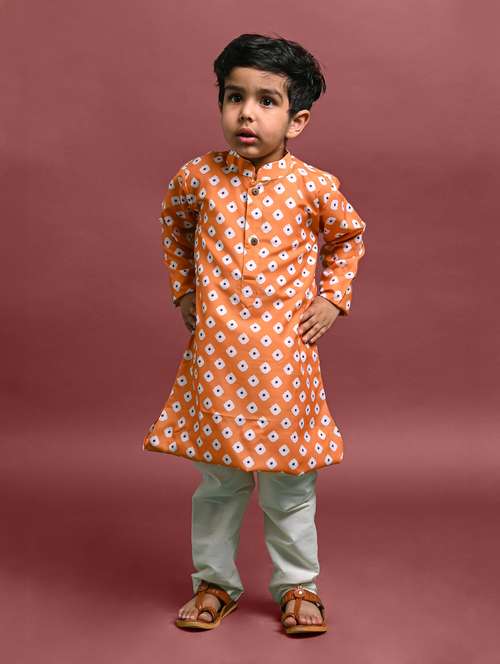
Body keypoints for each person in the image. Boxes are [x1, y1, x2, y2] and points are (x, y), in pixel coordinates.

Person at [143, 33, 367, 635]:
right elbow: (174, 227)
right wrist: (185, 292)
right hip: (217, 361)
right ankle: (214, 583)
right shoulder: (197, 177)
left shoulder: (313, 185)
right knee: (219, 484)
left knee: (289, 485)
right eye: (234, 97)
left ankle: (298, 587)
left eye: (266, 101)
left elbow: (348, 238)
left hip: (284, 364)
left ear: (297, 121)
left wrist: (332, 298)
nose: (246, 113)